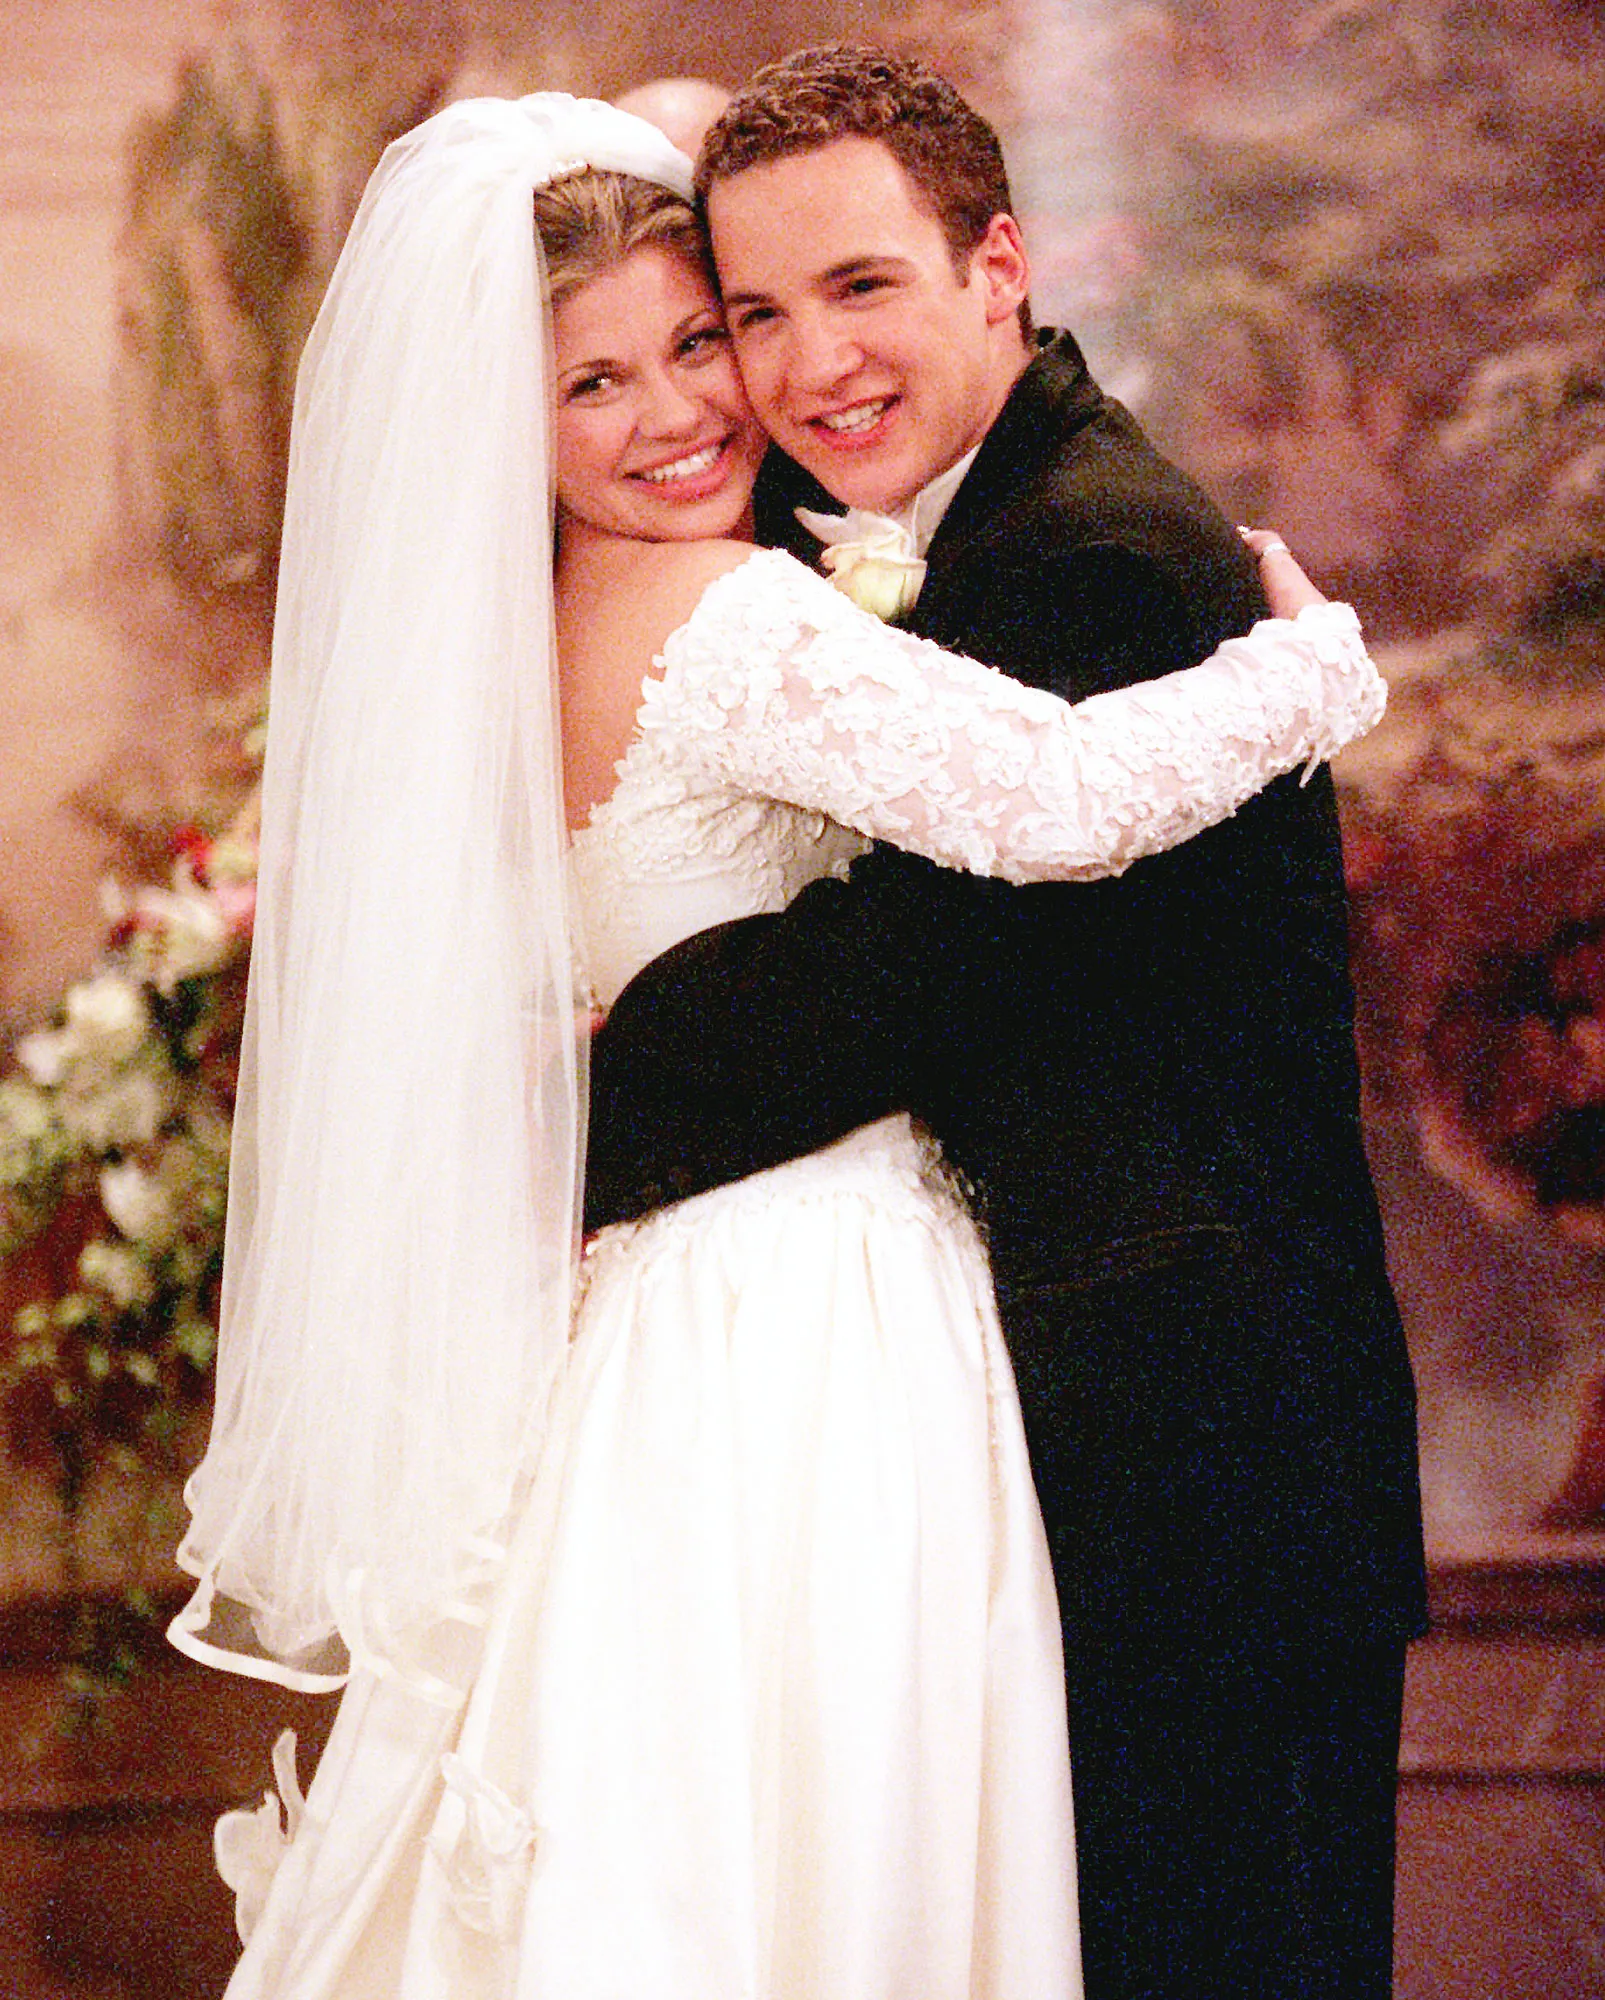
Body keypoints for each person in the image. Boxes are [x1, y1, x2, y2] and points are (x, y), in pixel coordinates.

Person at [167, 94, 1387, 1998]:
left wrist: (579, 1086)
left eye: (695, 339)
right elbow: (1056, 803)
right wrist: (1312, 670)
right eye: (596, 381)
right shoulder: (722, 606)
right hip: (811, 1319)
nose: (686, 406)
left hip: (676, 1327)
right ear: (507, 419)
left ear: (997, 270)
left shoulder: (530, 636)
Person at [580, 47, 1430, 2000]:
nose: (809, 367)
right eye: (755, 314)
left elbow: (880, 986)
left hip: (1196, 1475)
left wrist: (566, 1088)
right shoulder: (929, 522)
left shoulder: (1091, 556)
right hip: (1103, 1466)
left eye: (861, 286)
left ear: (999, 269)